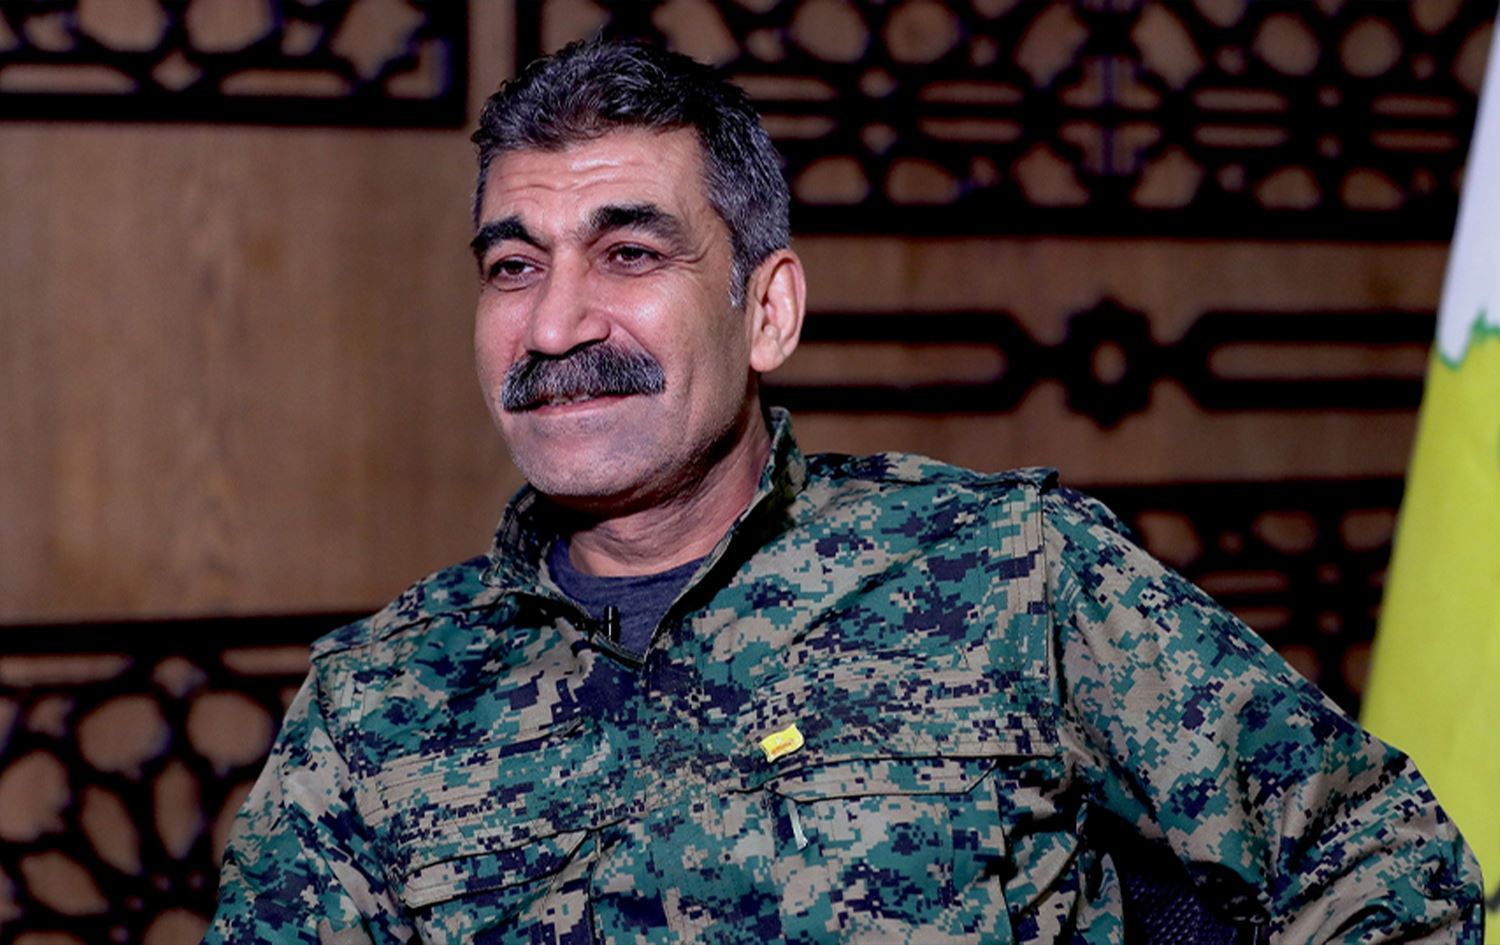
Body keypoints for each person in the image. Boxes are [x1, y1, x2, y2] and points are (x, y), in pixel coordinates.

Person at [205, 39, 1482, 945]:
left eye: (629, 252)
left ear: (767, 310)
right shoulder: (379, 705)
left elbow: (1376, 856)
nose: (553, 325)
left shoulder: (1006, 574)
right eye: (512, 266)